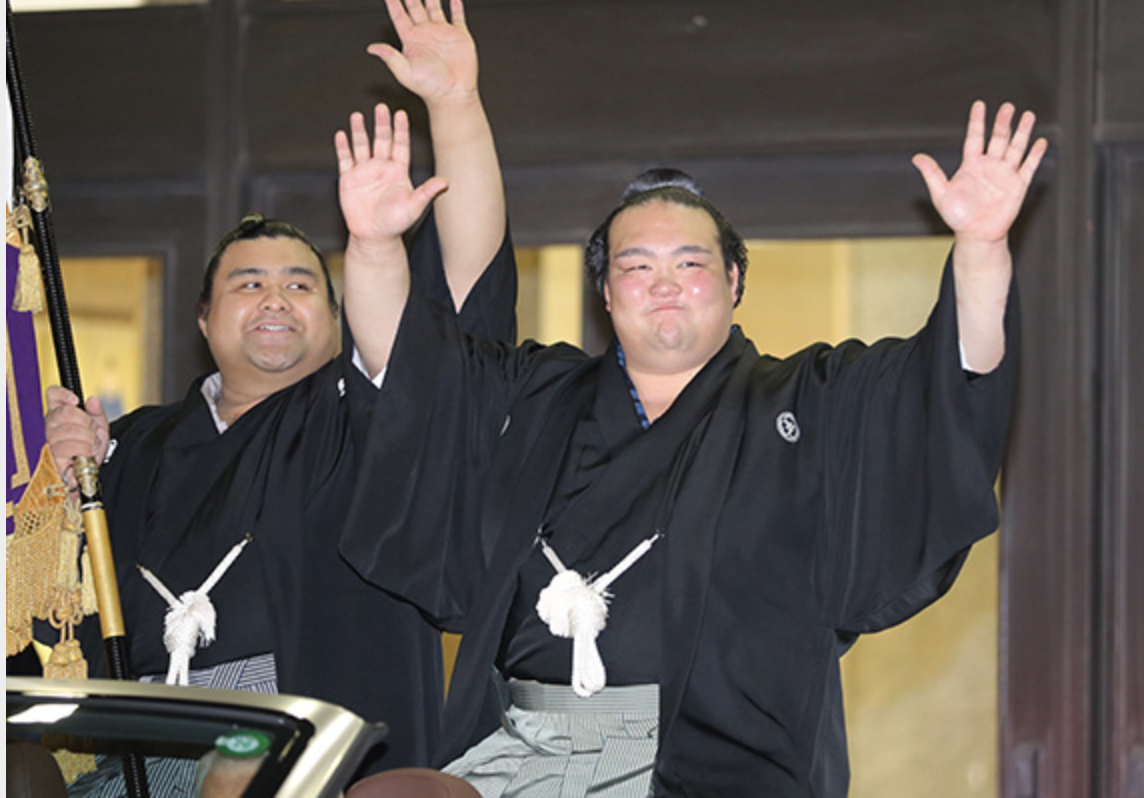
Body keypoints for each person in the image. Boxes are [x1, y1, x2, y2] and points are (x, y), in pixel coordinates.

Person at [337, 100, 1047, 796]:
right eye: (636, 267)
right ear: (606, 292)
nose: (665, 286)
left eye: (690, 263)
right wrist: (372, 247)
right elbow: (412, 377)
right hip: (533, 758)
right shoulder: (538, 395)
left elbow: (948, 382)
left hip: (726, 769)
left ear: (734, 281)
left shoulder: (809, 402)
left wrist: (980, 251)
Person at [41, 0, 513, 789]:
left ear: (339, 319)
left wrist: (455, 105)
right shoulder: (135, 441)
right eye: (248, 283)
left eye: (300, 285)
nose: (274, 298)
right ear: (203, 317)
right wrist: (58, 492)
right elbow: (55, 617)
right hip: (144, 740)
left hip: (308, 745)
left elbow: (460, 288)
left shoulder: (359, 410)